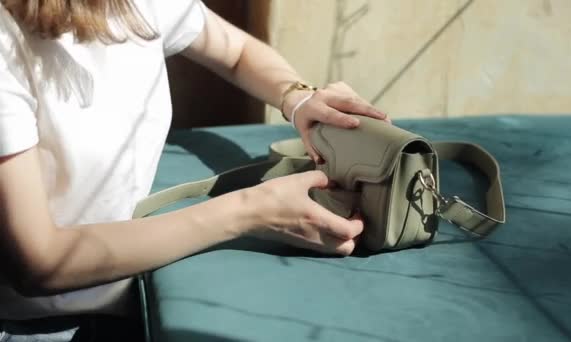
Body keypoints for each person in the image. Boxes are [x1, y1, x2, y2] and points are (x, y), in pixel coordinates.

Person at [0, 0, 388, 339]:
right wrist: (251, 210)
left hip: (139, 294)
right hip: (43, 326)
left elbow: (236, 52)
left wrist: (298, 98)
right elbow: (42, 262)